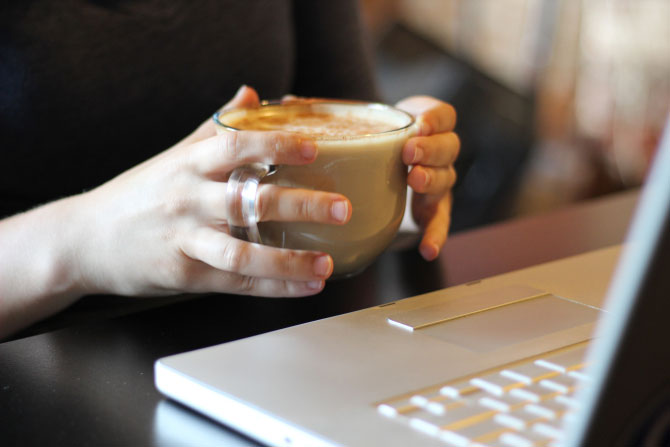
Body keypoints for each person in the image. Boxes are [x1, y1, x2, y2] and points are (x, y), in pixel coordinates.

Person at [0, 0, 459, 337]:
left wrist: (405, 181)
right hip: (45, 363)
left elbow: (345, 114)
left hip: (285, 344)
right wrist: (82, 241)